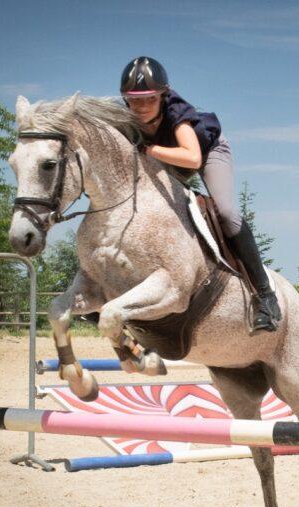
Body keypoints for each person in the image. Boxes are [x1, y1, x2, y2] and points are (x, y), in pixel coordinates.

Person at [120, 56, 282, 333]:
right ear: (125, 100)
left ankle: (266, 295)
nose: (142, 107)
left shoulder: (176, 114)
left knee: (226, 211)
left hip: (207, 152)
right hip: (167, 159)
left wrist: (149, 151)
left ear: (163, 95)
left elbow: (193, 158)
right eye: (135, 100)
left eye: (149, 99)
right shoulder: (123, 119)